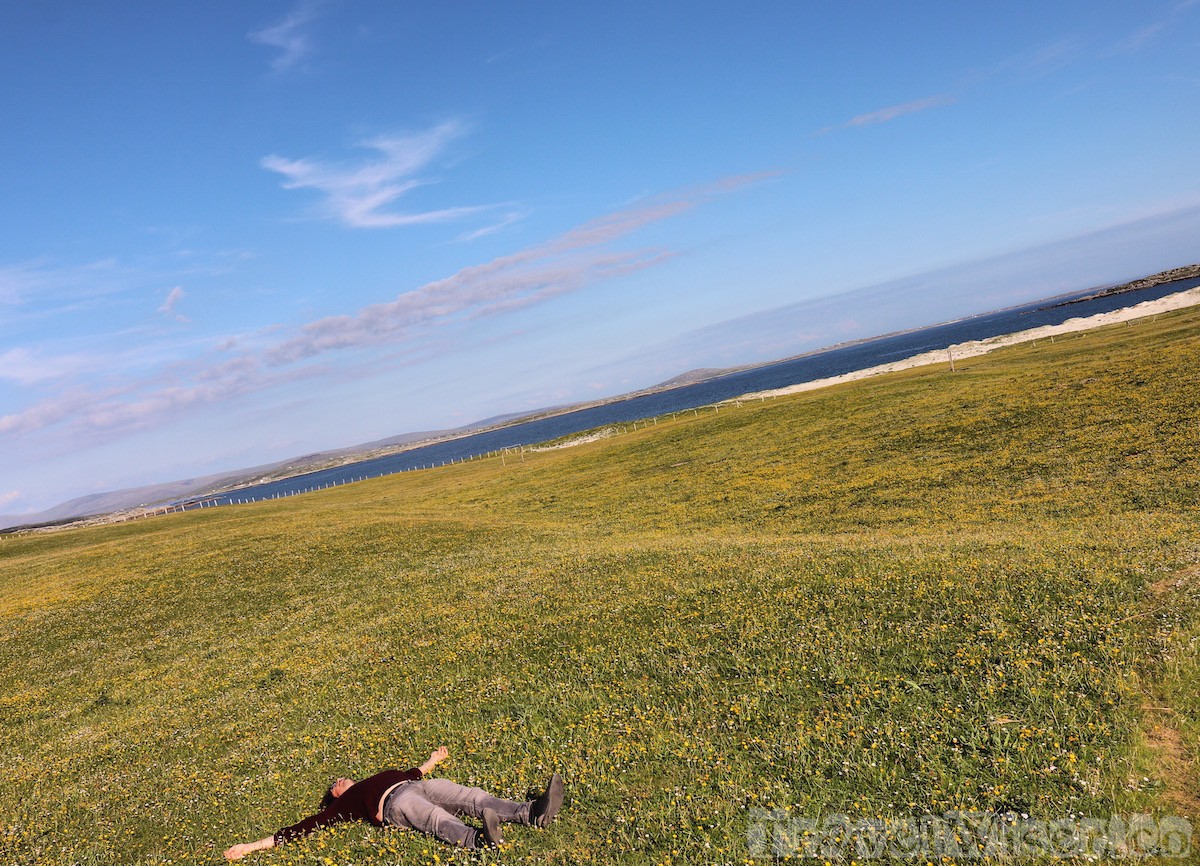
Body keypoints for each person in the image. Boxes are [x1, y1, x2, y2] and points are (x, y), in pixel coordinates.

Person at [224, 746, 563, 860]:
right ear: (337, 797)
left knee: (470, 795)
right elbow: (306, 827)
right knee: (431, 817)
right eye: (334, 787)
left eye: (339, 779)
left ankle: (530, 812)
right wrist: (252, 846)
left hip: (416, 784)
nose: (337, 782)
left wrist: (432, 760)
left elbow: (415, 770)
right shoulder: (344, 805)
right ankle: (479, 840)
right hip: (393, 806)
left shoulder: (382, 774)